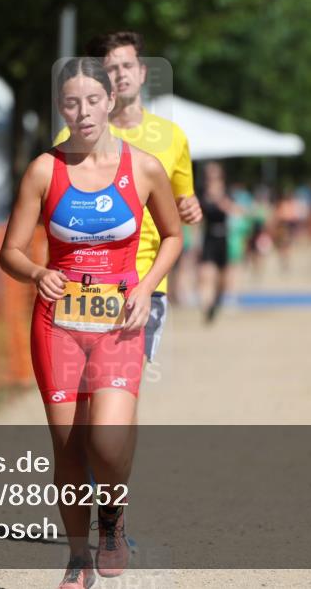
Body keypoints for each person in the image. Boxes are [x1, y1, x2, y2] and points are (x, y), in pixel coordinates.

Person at [0, 57, 181, 588]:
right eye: (71, 103)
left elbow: (173, 236)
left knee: (107, 441)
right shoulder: (43, 170)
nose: (82, 112)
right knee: (70, 451)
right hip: (57, 325)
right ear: (61, 107)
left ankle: (113, 519)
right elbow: (9, 252)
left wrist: (146, 288)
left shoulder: (143, 168)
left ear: (110, 102)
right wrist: (38, 273)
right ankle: (79, 559)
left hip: (120, 323)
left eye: (93, 101)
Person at [54, 31, 201, 370]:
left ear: (143, 72)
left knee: (121, 382)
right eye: (111, 68)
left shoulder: (172, 137)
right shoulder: (74, 134)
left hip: (146, 280)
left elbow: (184, 202)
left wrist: (191, 207)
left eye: (128, 66)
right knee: (84, 387)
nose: (121, 74)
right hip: (83, 282)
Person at [198, 162, 241, 324]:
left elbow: (236, 211)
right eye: (209, 176)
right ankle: (206, 307)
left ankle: (216, 303)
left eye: (215, 175)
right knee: (206, 275)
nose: (212, 179)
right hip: (208, 238)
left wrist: (220, 200)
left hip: (224, 238)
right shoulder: (201, 194)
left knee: (222, 279)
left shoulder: (227, 193)